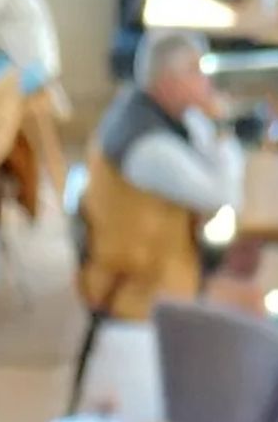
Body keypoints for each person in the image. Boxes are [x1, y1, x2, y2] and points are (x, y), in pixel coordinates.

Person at [78, 30, 244, 321]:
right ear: (168, 83)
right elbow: (227, 197)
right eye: (196, 72)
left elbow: (206, 155)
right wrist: (221, 125)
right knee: (248, 296)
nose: (207, 83)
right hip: (143, 287)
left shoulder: (146, 109)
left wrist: (209, 121)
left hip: (144, 264)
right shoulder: (150, 148)